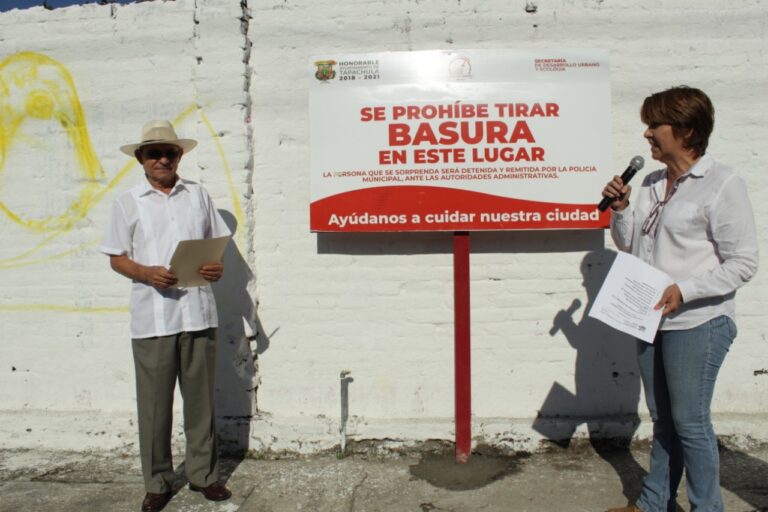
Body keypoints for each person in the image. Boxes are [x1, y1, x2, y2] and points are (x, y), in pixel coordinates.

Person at [601, 86, 758, 512]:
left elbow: (743, 263)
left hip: (698, 323)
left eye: (655, 125)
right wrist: (619, 210)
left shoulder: (722, 184)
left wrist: (683, 290)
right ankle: (655, 503)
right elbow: (631, 245)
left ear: (686, 130)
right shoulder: (652, 183)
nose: (647, 134)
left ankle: (707, 508)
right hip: (650, 320)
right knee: (664, 421)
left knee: (690, 424)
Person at [100, 120, 233, 512]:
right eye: (154, 153)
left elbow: (215, 247)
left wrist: (216, 267)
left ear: (180, 156)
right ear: (140, 158)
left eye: (169, 152)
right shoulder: (128, 201)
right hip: (153, 318)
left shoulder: (198, 195)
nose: (162, 159)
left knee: (201, 404)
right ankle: (157, 481)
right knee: (155, 407)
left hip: (198, 313)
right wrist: (144, 272)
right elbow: (116, 257)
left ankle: (203, 476)